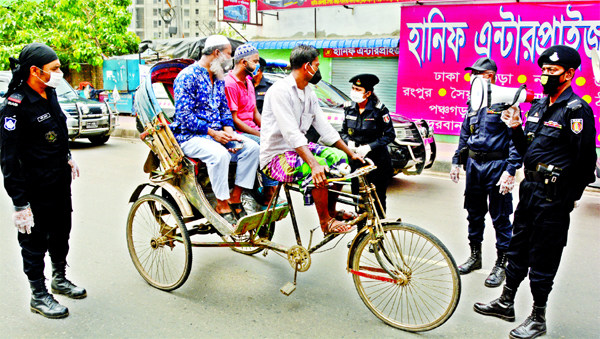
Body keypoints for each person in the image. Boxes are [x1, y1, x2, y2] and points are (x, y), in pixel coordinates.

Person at [474, 45, 597, 339]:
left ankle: (538, 317)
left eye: (552, 71)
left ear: (569, 74)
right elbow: (529, 151)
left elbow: (584, 162)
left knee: (543, 256)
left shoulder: (576, 110)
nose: (545, 75)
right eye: (543, 70)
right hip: (529, 190)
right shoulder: (539, 106)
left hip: (554, 197)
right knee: (517, 249)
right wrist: (515, 127)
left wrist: (570, 197)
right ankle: (506, 302)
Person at [0, 43, 86, 319]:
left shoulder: (49, 93)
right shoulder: (15, 106)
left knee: (62, 230)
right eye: (55, 69)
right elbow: (8, 158)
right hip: (34, 185)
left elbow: (57, 130)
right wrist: (19, 203)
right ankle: (38, 295)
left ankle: (59, 278)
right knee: (35, 241)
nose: (60, 73)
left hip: (59, 180)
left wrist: (68, 154)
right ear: (35, 71)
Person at [260, 45, 364, 234]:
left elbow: (325, 129)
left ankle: (331, 212)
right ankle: (325, 222)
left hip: (299, 148)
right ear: (307, 66)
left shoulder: (309, 93)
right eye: (316, 65)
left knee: (339, 158)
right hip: (275, 157)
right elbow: (291, 134)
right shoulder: (279, 91)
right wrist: (315, 164)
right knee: (313, 167)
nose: (318, 69)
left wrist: (351, 153)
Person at [170, 35, 260, 225]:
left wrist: (230, 133)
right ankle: (221, 203)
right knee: (220, 155)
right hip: (190, 137)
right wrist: (213, 133)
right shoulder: (187, 76)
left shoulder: (218, 77)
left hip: (217, 135)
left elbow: (224, 109)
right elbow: (184, 116)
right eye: (229, 54)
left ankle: (235, 196)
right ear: (217, 53)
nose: (230, 59)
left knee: (252, 149)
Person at [450, 57, 521, 288]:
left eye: (477, 74)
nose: (472, 77)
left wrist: (510, 170)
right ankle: (475, 256)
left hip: (496, 166)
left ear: (489, 76)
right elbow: (464, 134)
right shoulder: (473, 103)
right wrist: (456, 161)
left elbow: (515, 141)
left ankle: (501, 264)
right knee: (474, 213)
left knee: (500, 217)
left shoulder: (505, 102)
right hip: (474, 166)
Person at [224, 45, 278, 206]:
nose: (258, 65)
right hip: (237, 131)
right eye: (255, 61)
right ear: (243, 62)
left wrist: (268, 131)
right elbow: (234, 120)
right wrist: (259, 135)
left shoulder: (248, 82)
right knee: (264, 143)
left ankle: (270, 185)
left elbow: (255, 113)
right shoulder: (230, 84)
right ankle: (269, 190)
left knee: (276, 139)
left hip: (250, 129)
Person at [340, 74, 396, 217]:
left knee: (378, 201)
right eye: (353, 88)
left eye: (358, 89)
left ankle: (378, 237)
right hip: (356, 162)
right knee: (358, 200)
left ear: (368, 93)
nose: (354, 92)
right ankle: (361, 237)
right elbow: (343, 132)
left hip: (377, 162)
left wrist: (369, 147)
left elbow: (390, 135)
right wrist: (349, 143)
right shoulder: (348, 108)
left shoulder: (379, 110)